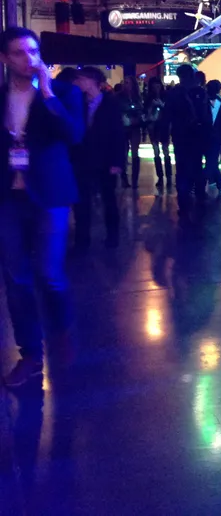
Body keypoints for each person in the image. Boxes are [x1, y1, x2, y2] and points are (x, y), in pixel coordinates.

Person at [0, 27, 84, 387]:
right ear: (5, 59)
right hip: (9, 197)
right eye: (19, 53)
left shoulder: (63, 92)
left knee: (49, 275)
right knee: (16, 279)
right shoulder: (2, 96)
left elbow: (74, 135)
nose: (29, 59)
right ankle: (31, 354)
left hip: (50, 195)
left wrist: (47, 91)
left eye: (33, 51)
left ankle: (62, 331)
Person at [73, 67, 125, 250]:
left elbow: (118, 134)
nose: (77, 82)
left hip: (105, 159)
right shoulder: (78, 102)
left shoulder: (110, 103)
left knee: (108, 199)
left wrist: (117, 161)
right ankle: (82, 241)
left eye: (81, 79)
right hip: (84, 160)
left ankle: (112, 236)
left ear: (92, 81)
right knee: (82, 201)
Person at [163, 63, 212, 217]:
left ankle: (183, 202)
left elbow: (166, 115)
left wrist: (165, 135)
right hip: (197, 135)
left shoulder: (174, 93)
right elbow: (206, 116)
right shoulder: (200, 92)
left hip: (180, 135)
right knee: (197, 165)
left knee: (182, 168)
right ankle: (200, 195)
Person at [144, 78, 172, 190]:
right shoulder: (149, 98)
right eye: (154, 86)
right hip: (153, 126)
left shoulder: (165, 96)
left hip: (163, 125)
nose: (156, 88)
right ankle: (160, 177)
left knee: (165, 151)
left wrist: (161, 105)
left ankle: (168, 177)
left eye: (158, 85)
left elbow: (169, 111)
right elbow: (146, 112)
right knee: (156, 152)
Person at [205, 80, 221, 196]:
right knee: (212, 162)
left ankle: (220, 185)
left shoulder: (202, 101)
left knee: (211, 162)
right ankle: (219, 185)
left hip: (207, 136)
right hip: (216, 137)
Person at [119, 75, 144, 190]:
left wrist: (136, 116)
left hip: (135, 127)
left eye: (128, 83)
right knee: (123, 153)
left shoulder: (137, 97)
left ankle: (134, 180)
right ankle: (124, 178)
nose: (126, 85)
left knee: (135, 153)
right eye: (125, 82)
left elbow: (140, 110)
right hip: (124, 127)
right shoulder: (119, 97)